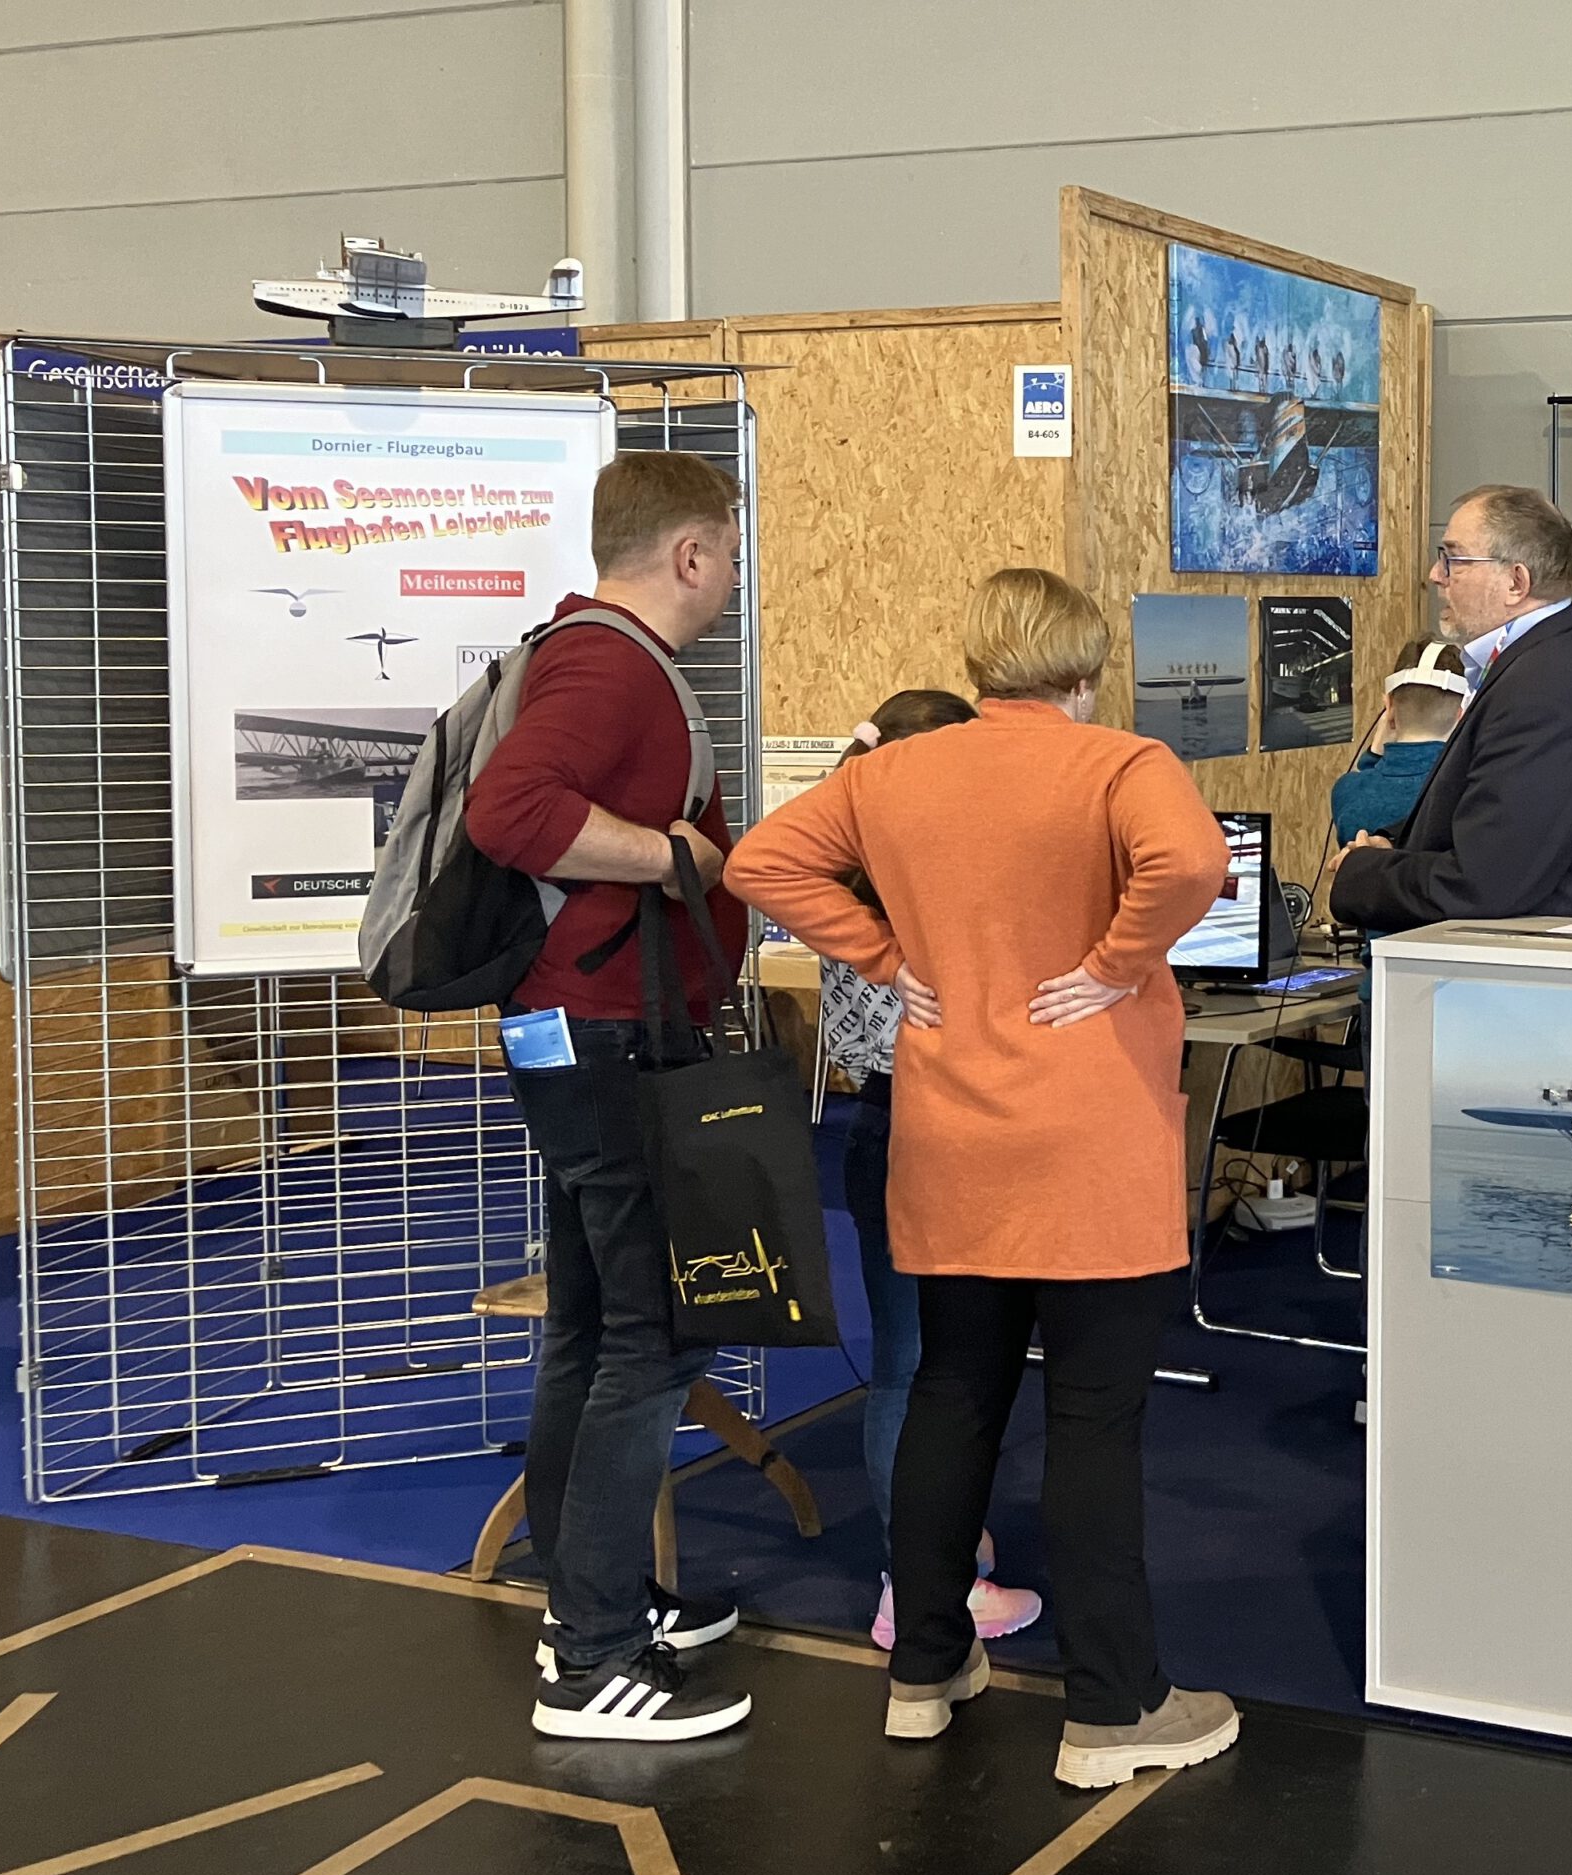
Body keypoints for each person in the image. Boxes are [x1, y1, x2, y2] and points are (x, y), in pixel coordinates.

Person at [726, 568, 1240, 1789]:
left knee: (950, 1392)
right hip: (1092, 1140)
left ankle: (925, 1669)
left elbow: (759, 861)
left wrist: (884, 954)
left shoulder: (896, 772)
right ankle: (1113, 1706)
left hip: (951, 1135)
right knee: (1093, 1418)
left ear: (978, 661)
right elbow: (1191, 862)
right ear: (1086, 667)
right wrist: (1115, 964)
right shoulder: (1120, 763)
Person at [464, 450, 754, 1741]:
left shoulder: (584, 652)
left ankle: (588, 1599)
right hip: (606, 1036)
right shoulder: (609, 663)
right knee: (653, 1337)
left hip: (580, 1032)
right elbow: (509, 810)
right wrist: (674, 854)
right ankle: (589, 1655)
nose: (732, 574)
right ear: (689, 552)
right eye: (729, 550)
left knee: (593, 1326)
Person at [818, 689, 1044, 1651]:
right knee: (933, 1369)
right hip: (943, 1126)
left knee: (909, 1366)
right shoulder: (930, 875)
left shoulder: (844, 867)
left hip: (875, 1123)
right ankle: (925, 1583)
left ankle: (922, 1564)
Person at [1328, 485, 1572, 931]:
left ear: (1516, 582)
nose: (1435, 575)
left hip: (1536, 967)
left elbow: (1487, 883)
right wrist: (1392, 847)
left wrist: (1361, 874)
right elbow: (1489, 818)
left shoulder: (1545, 691)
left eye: (1453, 559)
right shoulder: (1547, 667)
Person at [1328, 636, 1468, 847]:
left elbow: (1367, 783)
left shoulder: (1347, 791)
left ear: (1388, 706)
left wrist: (1373, 754)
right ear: (1463, 713)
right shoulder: (1471, 788)